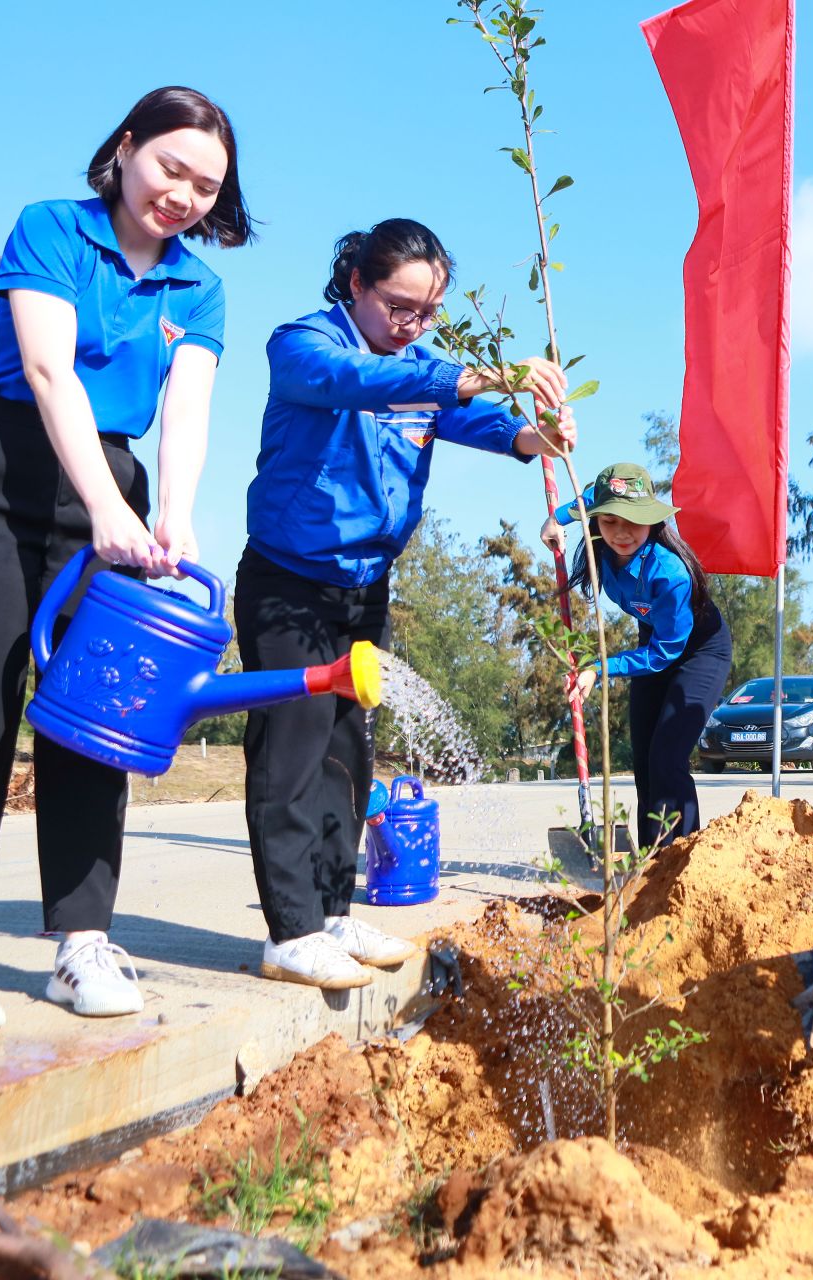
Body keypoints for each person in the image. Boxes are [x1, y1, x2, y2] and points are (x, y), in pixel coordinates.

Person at [0, 87, 252, 1037]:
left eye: (206, 186)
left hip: (116, 482)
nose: (183, 194)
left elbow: (186, 411)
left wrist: (169, 519)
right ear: (127, 147)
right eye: (171, 167)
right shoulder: (53, 229)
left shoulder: (199, 289)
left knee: (99, 718)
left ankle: (82, 941)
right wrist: (103, 505)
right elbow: (49, 370)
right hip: (0, 468)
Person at [240, 219, 571, 990]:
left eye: (427, 315)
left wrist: (537, 438)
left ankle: (329, 911)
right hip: (288, 587)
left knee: (347, 754)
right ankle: (289, 933)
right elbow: (357, 384)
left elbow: (481, 420)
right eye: (398, 308)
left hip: (364, 591)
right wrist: (488, 373)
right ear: (355, 282)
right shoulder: (304, 345)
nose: (413, 328)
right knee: (291, 750)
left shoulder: (422, 364)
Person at [541, 463, 731, 850]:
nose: (621, 533)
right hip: (653, 642)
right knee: (643, 758)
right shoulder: (604, 549)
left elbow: (666, 653)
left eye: (632, 521)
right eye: (609, 522)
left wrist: (599, 668)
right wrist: (554, 519)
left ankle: (679, 854)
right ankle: (649, 858)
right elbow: (585, 499)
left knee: (667, 754)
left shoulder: (670, 573)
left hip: (696, 648)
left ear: (651, 521)